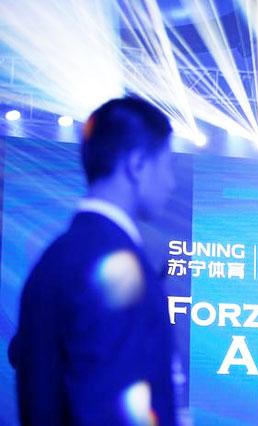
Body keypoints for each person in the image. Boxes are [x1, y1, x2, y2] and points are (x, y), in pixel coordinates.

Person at [9, 96, 177, 425]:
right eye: (166, 165)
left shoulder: (55, 258)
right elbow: (112, 408)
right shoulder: (117, 264)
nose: (171, 181)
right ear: (137, 164)